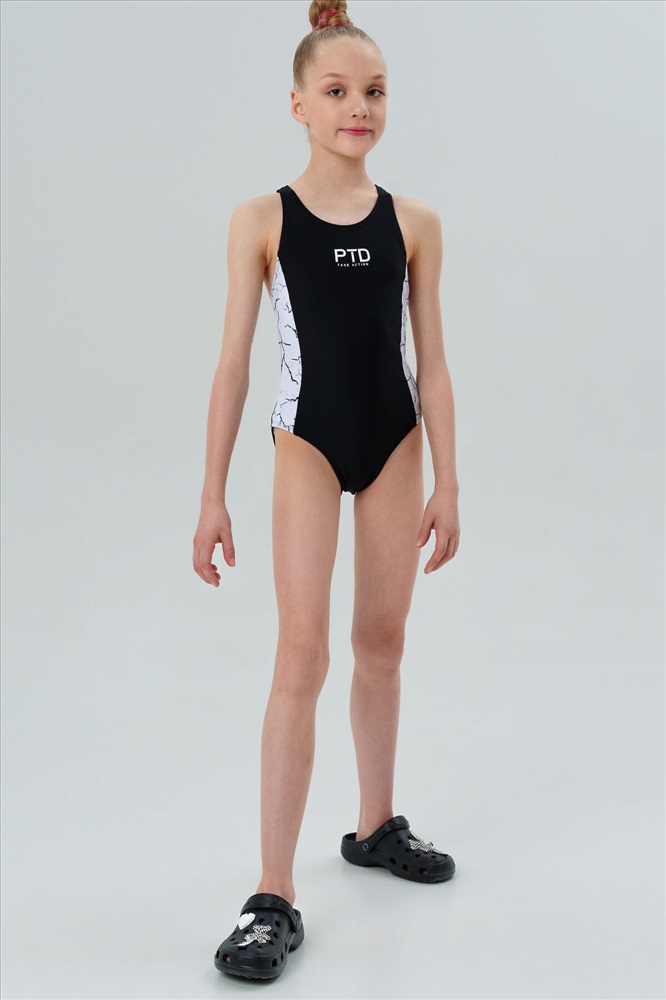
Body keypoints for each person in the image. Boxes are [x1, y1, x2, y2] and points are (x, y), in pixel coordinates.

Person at [193, 0, 460, 981]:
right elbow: (232, 363)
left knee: (382, 642)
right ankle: (272, 894)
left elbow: (433, 365)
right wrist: (212, 495)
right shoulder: (261, 219)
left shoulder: (415, 222)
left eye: (375, 91)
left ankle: (375, 825)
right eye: (339, 91)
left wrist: (450, 481)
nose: (359, 108)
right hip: (306, 444)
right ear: (298, 105)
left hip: (396, 445)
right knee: (300, 653)